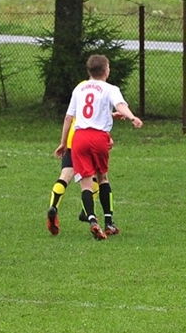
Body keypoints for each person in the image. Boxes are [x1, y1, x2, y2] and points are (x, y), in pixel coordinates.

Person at [56, 55, 142, 240]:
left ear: (89, 71)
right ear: (106, 70)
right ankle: (109, 222)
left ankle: (93, 220)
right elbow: (120, 104)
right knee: (102, 178)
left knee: (86, 183)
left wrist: (63, 143)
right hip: (99, 138)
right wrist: (131, 116)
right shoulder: (110, 88)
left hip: (79, 138)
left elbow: (69, 118)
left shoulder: (79, 88)